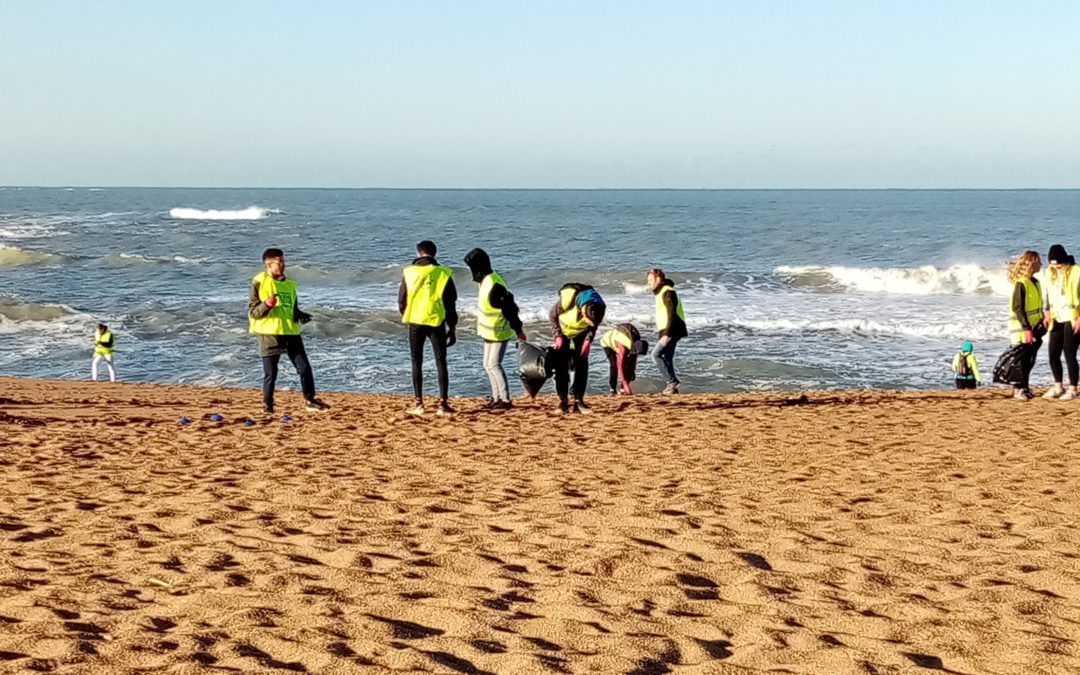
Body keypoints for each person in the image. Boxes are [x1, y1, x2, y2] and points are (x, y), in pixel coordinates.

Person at [248, 248, 329, 414]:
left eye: (284, 261)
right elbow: (253, 312)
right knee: (271, 374)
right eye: (280, 262)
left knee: (304, 368)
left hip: (291, 333)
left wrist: (301, 315)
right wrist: (267, 305)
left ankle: (310, 400)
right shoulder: (259, 282)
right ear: (269, 264)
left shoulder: (290, 285)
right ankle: (268, 407)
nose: (283, 265)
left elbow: (293, 309)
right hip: (269, 334)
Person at [399, 240, 458, 416]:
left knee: (416, 362)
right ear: (434, 254)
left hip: (416, 320)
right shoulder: (443, 273)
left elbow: (402, 299)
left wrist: (406, 314)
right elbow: (450, 302)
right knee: (441, 362)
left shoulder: (409, 272)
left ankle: (419, 404)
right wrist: (452, 326)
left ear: (419, 253)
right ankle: (443, 404)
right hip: (436, 319)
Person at [464, 248, 526, 410]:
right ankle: (496, 398)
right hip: (489, 331)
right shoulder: (485, 281)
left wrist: (518, 330)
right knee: (487, 364)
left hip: (500, 331)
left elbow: (510, 309)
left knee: (493, 365)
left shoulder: (494, 284)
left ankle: (505, 400)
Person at [549, 283, 606, 414]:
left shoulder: (600, 307)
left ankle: (578, 401)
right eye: (586, 319)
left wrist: (588, 340)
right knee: (561, 365)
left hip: (581, 333)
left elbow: (593, 326)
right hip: (563, 331)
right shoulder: (569, 300)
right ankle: (562, 401)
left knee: (582, 362)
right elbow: (552, 315)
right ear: (584, 310)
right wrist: (557, 335)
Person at [1040, 244, 1080, 399]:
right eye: (1052, 265)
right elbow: (1047, 294)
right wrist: (1047, 312)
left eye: (1058, 265)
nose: (1055, 268)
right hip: (1056, 317)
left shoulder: (1077, 272)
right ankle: (1058, 386)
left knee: (1069, 353)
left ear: (1064, 261)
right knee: (1053, 353)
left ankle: (1073, 389)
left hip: (1073, 316)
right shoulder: (1049, 273)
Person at [1006, 250, 1045, 400]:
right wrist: (1027, 329)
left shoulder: (1035, 282)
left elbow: (1037, 307)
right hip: (1022, 330)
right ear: (1032, 263)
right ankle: (1018, 389)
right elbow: (1018, 308)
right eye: (1039, 261)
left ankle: (1025, 387)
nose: (1041, 264)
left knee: (1029, 360)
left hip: (1035, 329)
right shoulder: (1021, 284)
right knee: (1021, 362)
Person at [647, 268, 688, 394]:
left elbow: (672, 314)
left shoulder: (668, 292)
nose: (648, 283)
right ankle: (672, 388)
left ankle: (672, 381)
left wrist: (666, 334)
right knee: (667, 357)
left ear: (658, 279)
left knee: (655, 355)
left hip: (672, 329)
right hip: (669, 329)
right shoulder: (661, 292)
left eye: (650, 280)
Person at [599, 323, 648, 395]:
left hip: (621, 341)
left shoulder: (637, 344)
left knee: (629, 366)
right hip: (607, 342)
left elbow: (633, 363)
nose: (636, 355)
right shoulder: (624, 346)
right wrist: (625, 384)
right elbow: (620, 365)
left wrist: (631, 373)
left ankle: (622, 390)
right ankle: (612, 390)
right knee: (614, 365)